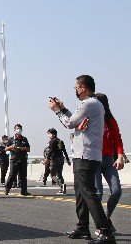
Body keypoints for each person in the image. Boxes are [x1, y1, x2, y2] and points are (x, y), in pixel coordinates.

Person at [49, 74, 116, 244]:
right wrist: (63, 109)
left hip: (85, 155)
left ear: (83, 87)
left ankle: (105, 231)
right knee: (80, 192)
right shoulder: (94, 105)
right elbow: (77, 122)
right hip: (85, 154)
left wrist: (58, 110)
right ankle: (83, 227)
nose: (76, 91)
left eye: (76, 88)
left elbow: (70, 123)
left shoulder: (88, 104)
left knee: (88, 193)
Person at [94, 93, 125, 230]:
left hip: (108, 160)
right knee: (97, 194)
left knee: (117, 191)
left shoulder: (111, 121)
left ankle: (105, 218)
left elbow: (118, 139)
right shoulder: (91, 120)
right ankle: (102, 225)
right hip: (93, 160)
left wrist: (120, 156)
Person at [4, 123, 31, 196]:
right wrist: (11, 147)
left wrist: (24, 148)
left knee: (23, 176)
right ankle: (7, 189)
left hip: (23, 159)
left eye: (20, 129)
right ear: (14, 130)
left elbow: (28, 149)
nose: (18, 130)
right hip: (14, 159)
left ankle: (24, 191)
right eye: (17, 129)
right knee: (12, 175)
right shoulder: (11, 139)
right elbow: (6, 149)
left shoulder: (24, 139)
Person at [45, 128, 71, 194]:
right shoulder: (60, 141)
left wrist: (47, 159)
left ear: (52, 134)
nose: (48, 135)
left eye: (49, 134)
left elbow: (50, 151)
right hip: (61, 159)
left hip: (54, 159)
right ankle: (62, 189)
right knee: (59, 174)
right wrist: (67, 160)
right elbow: (64, 151)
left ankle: (61, 185)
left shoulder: (52, 141)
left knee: (52, 174)